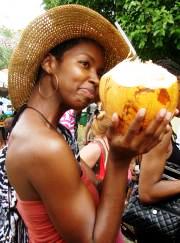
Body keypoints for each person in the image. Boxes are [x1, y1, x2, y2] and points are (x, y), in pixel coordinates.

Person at [5, 4, 172, 243]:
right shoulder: (43, 144)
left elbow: (93, 196)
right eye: (85, 64)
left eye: (100, 71)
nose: (95, 79)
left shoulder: (47, 131)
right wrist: (118, 159)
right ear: (49, 63)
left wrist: (127, 147)